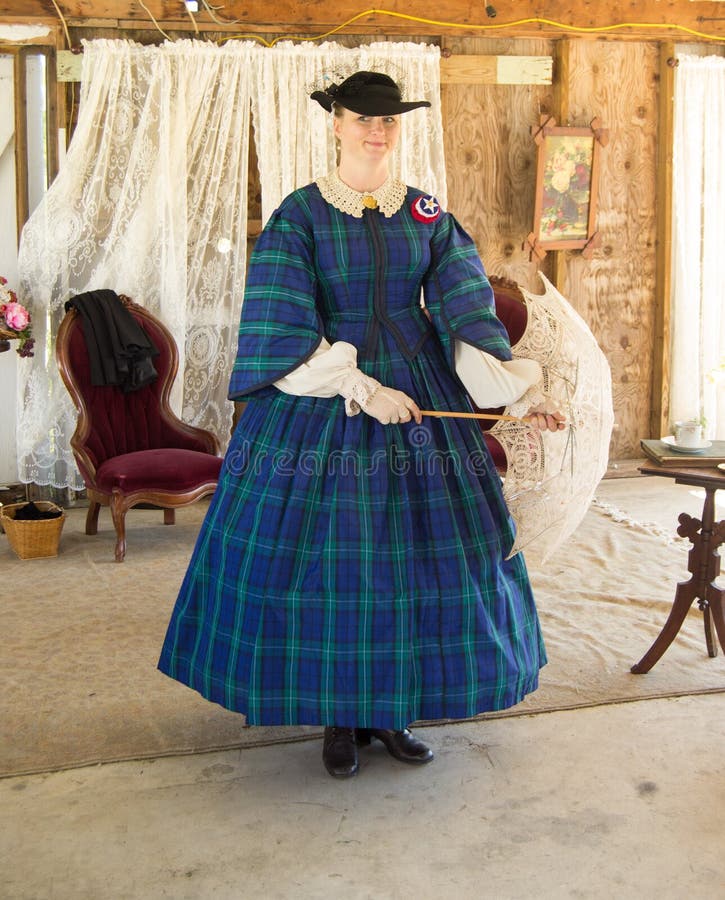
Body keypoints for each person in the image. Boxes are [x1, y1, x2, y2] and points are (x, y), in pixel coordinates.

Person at [158, 71, 565, 778]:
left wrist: (516, 395)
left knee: (415, 562)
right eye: (361, 119)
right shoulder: (300, 214)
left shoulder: (427, 213)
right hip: (322, 402)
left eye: (388, 122)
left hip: (420, 391)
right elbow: (280, 322)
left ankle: (391, 711)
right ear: (336, 124)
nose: (376, 132)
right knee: (334, 563)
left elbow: (467, 309)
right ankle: (337, 719)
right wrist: (355, 386)